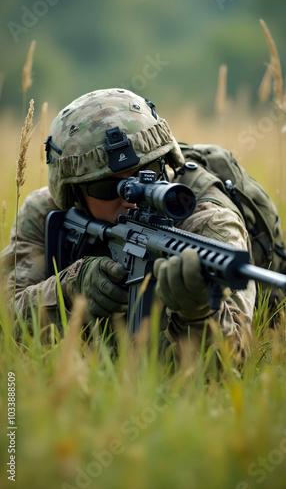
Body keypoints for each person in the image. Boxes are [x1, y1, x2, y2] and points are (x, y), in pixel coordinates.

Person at [1, 88, 255, 361]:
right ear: (74, 192)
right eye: (109, 186)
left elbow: (231, 365)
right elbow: (6, 318)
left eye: (150, 174)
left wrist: (199, 311)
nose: (131, 197)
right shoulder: (45, 211)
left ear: (166, 164)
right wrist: (69, 287)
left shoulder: (209, 223)